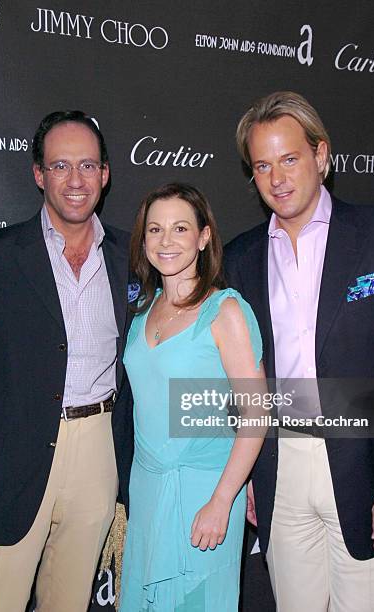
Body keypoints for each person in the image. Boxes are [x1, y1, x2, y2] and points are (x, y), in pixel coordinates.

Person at [224, 91, 374, 611]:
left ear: (321, 156)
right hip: (279, 467)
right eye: (262, 166)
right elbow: (241, 379)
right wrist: (246, 474)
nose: (278, 178)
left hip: (369, 466)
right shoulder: (241, 257)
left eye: (289, 159)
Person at [0, 111, 134, 612]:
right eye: (61, 166)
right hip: (8, 457)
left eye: (88, 165)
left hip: (98, 452)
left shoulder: (129, 257)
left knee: (68, 602)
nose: (76, 180)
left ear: (106, 174)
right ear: (38, 174)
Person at [119, 182, 266, 611]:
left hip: (205, 493)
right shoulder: (144, 309)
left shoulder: (226, 311)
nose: (166, 241)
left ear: (203, 238)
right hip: (147, 489)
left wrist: (222, 501)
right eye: (155, 229)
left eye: (180, 229)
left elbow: (255, 415)